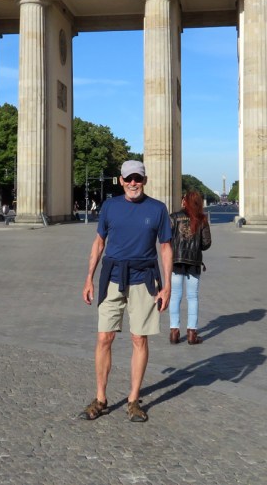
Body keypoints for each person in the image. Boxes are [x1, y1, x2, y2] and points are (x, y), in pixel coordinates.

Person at [81, 160, 172, 423]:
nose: (133, 183)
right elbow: (99, 243)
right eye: (128, 178)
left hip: (144, 278)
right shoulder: (110, 207)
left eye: (138, 178)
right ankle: (100, 398)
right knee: (104, 338)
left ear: (145, 180)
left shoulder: (157, 209)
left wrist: (166, 286)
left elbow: (165, 247)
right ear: (120, 180)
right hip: (112, 277)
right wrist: (89, 278)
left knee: (139, 339)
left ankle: (133, 400)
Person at [169, 189, 212, 345]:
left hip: (176, 261)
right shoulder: (202, 219)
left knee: (175, 296)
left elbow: (166, 238)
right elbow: (206, 244)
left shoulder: (173, 218)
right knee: (192, 297)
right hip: (194, 263)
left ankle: (174, 331)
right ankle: (192, 333)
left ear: (184, 201)